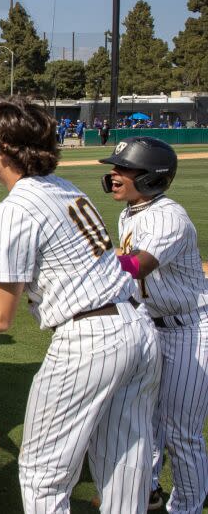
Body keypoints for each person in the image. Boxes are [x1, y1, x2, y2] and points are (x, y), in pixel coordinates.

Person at [0, 97, 160, 513]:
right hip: (135, 327)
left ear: (4, 148)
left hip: (89, 336)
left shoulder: (16, 207)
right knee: (124, 465)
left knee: (41, 473)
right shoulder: (65, 188)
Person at [100, 137, 208, 513]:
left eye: (123, 169)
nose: (113, 175)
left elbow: (137, 266)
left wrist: (86, 262)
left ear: (150, 177)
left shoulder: (168, 217)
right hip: (153, 325)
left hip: (188, 330)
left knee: (181, 432)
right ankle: (147, 493)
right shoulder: (132, 211)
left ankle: (187, 507)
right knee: (146, 421)